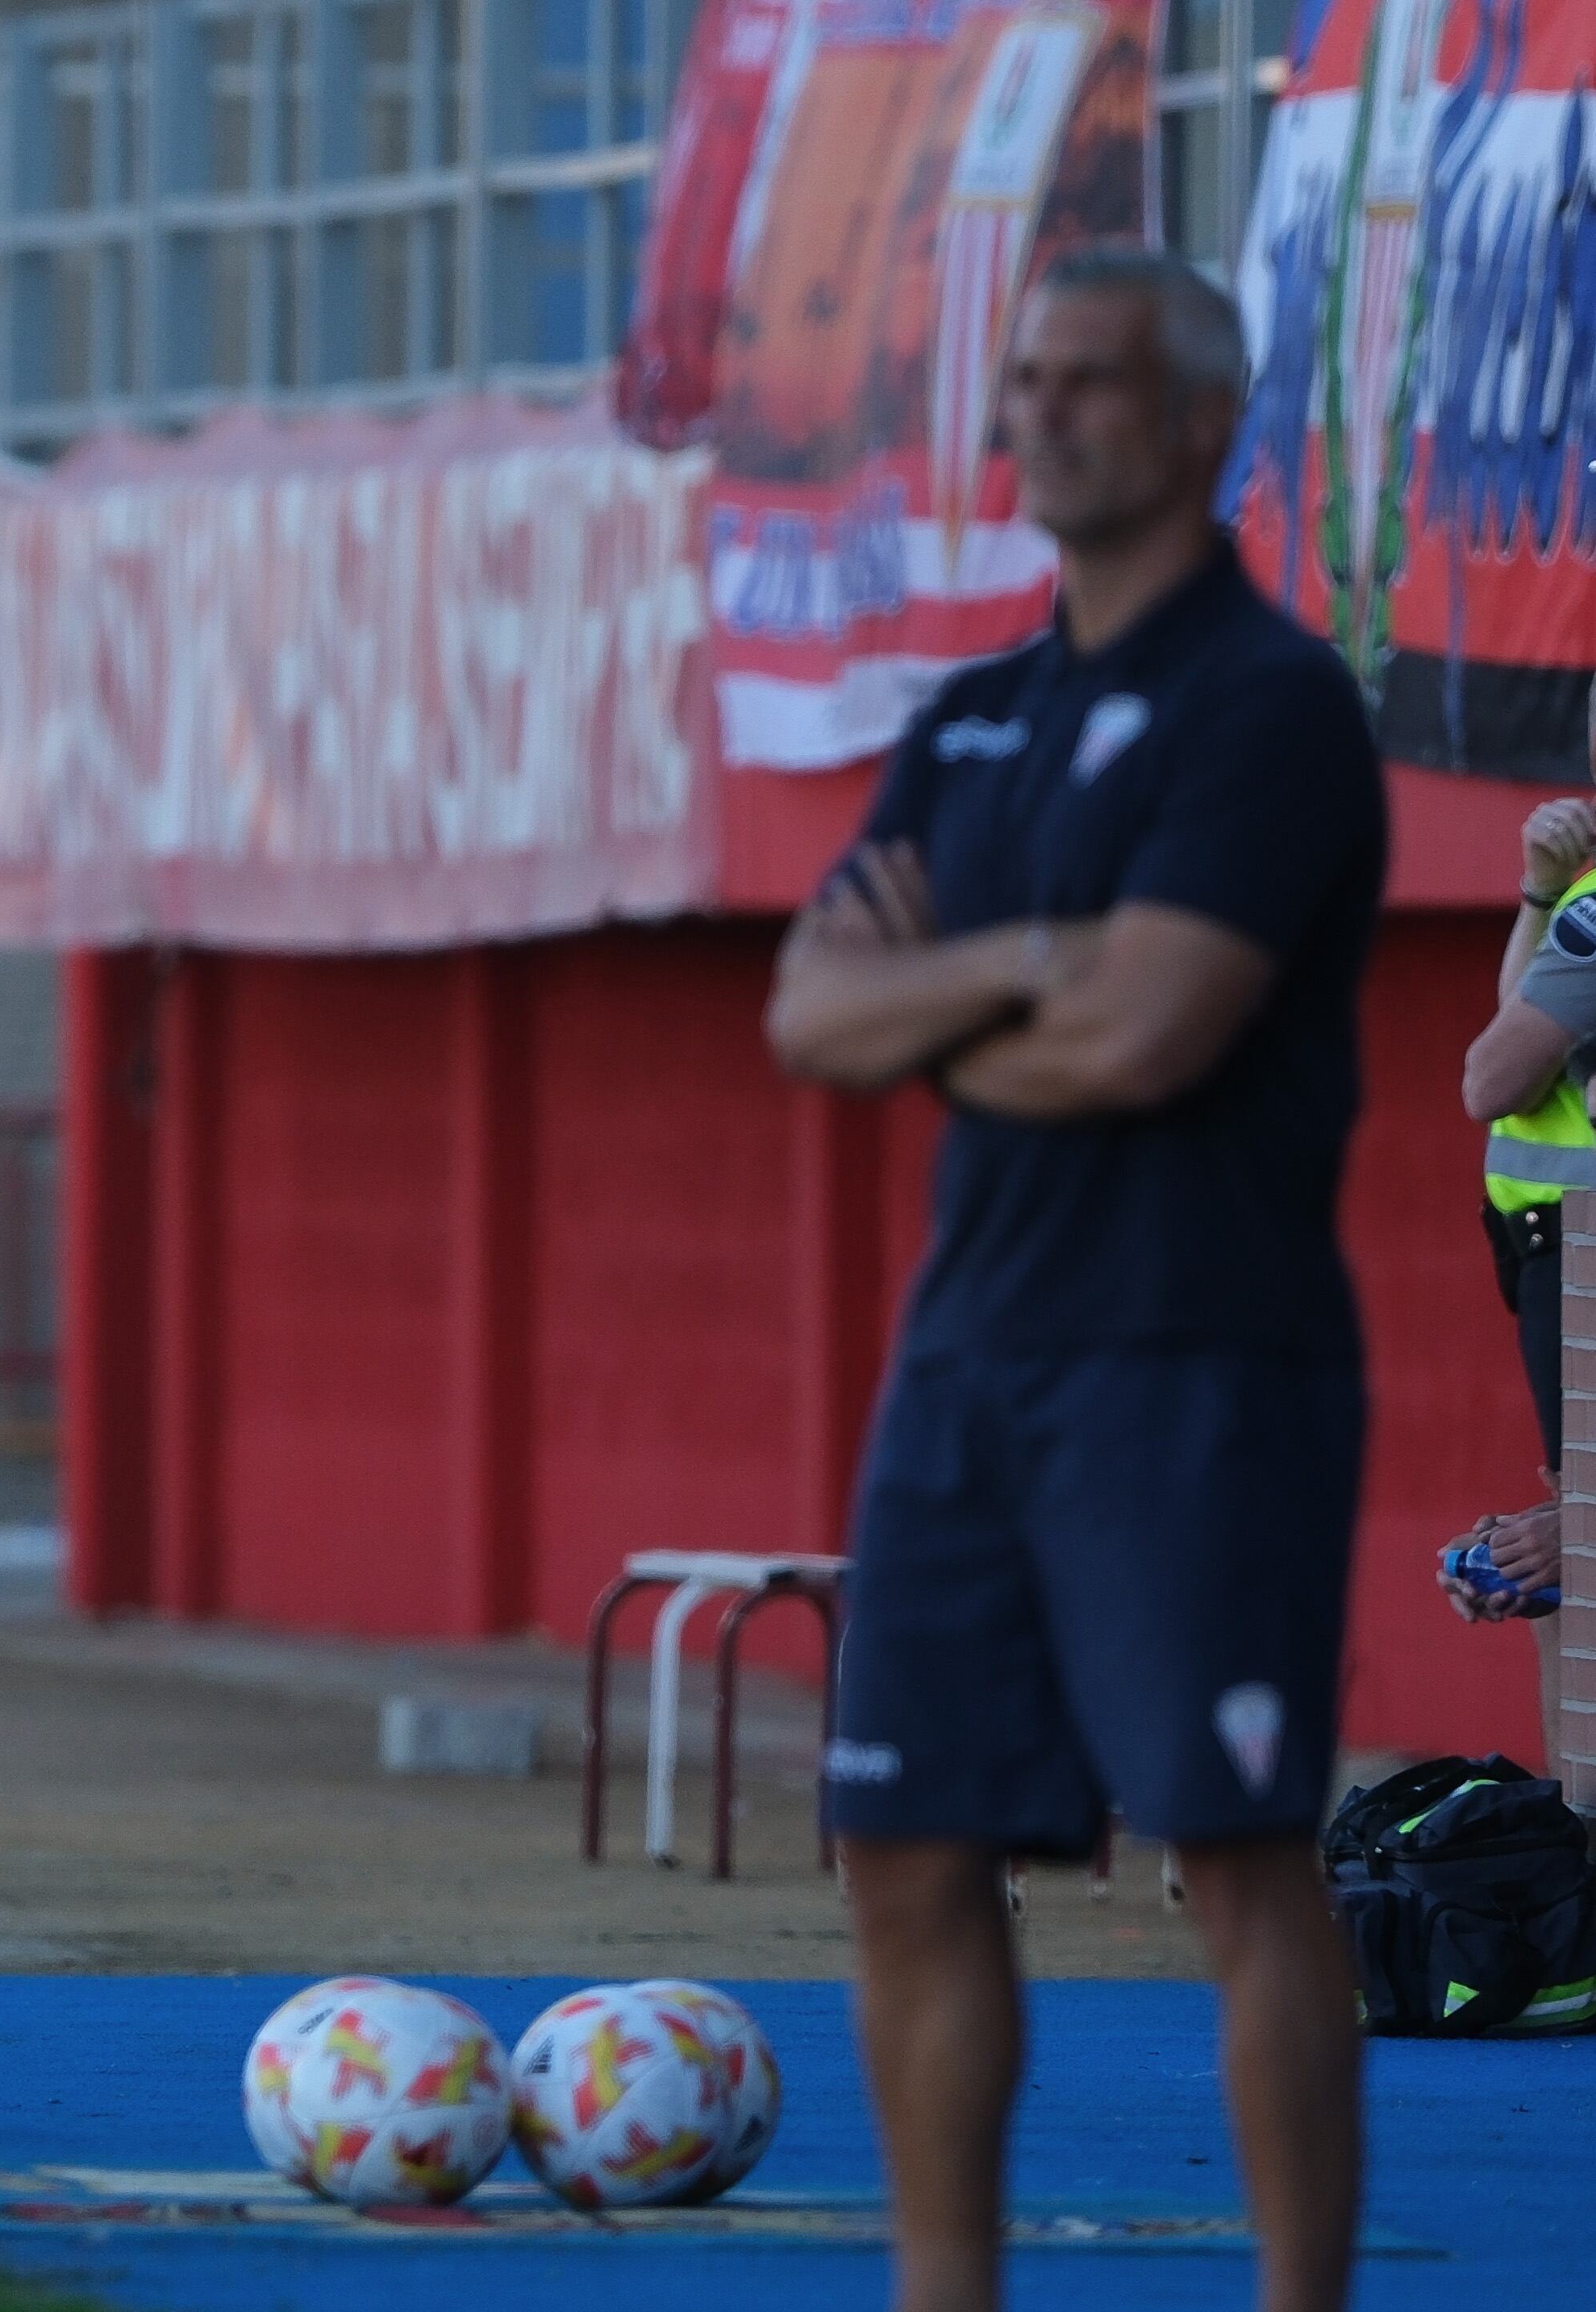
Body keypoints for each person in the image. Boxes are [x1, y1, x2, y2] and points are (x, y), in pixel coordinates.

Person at [765, 244, 1386, 2312]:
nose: (1042, 407)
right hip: (966, 1362)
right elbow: (800, 1014)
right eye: (1022, 373)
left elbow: (1146, 1041)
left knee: (1232, 1852)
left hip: (1195, 1361)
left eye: (1093, 378)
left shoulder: (1269, 707)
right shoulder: (965, 724)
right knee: (907, 1851)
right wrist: (1034, 960)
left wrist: (934, 1008)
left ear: (1203, 423)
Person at [1448, 795, 1596, 1756]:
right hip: (1559, 1252)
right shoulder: (1578, 899)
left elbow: (1491, 1077)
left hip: (1578, 1253)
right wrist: (1540, 895)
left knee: (1570, 1562)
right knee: (1558, 1558)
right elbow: (1524, 1018)